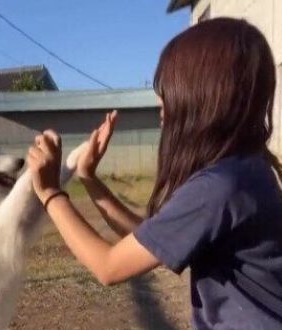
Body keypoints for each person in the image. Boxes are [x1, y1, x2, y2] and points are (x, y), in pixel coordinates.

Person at [26, 18, 282, 329]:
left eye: (169, 90)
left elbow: (108, 266)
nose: (160, 103)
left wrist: (49, 192)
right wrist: (88, 177)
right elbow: (152, 239)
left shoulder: (219, 187)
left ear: (204, 95)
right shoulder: (245, 170)